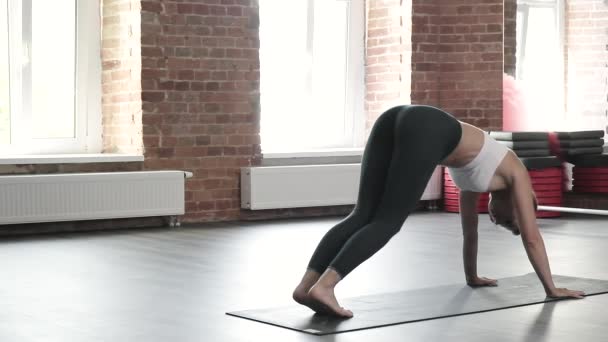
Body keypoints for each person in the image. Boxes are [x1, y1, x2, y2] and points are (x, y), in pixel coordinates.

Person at [291, 104, 585, 318]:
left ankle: (307, 287)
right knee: (387, 222)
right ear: (521, 206)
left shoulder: (478, 177)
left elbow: (469, 233)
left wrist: (472, 276)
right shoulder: (516, 172)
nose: (496, 219)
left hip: (396, 117)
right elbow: (532, 237)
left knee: (363, 215)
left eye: (501, 223)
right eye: (508, 220)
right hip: (426, 126)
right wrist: (551, 288)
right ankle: (325, 286)